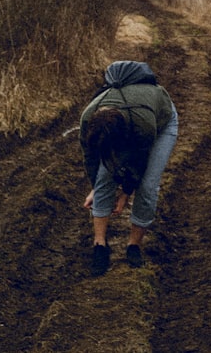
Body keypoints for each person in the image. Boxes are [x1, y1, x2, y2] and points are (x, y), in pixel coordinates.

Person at [79, 60, 178, 276]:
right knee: (105, 178)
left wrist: (125, 192)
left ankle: (133, 246)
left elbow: (138, 163)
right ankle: (99, 245)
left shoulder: (143, 125)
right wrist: (96, 186)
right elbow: (92, 159)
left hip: (161, 123)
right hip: (131, 119)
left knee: (148, 187)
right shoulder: (88, 119)